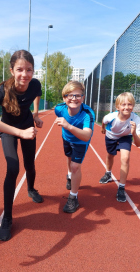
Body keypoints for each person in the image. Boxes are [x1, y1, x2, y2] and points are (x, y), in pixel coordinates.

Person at [0, 49, 43, 241]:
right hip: (8, 129)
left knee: (30, 164)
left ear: (33, 71)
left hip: (26, 126)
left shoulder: (35, 85)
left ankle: (31, 189)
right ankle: (7, 218)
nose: (24, 74)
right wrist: (20, 133)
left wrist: (36, 114)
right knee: (13, 168)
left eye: (29, 70)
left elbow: (37, 95)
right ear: (11, 70)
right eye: (20, 69)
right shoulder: (3, 90)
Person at [54, 81, 95, 213]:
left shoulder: (87, 114)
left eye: (78, 95)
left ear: (83, 97)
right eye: (70, 95)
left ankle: (73, 197)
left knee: (76, 166)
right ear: (64, 98)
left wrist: (68, 126)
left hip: (80, 142)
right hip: (66, 138)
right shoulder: (59, 109)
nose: (74, 99)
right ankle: (69, 176)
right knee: (68, 157)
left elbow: (87, 136)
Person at [99, 92, 140, 202]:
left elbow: (138, 144)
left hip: (126, 137)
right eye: (123, 104)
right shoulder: (111, 117)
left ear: (133, 106)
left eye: (129, 104)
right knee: (110, 155)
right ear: (117, 107)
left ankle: (121, 187)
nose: (127, 107)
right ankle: (108, 174)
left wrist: (134, 133)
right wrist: (103, 128)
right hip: (111, 136)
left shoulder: (136, 120)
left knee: (125, 158)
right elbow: (104, 120)